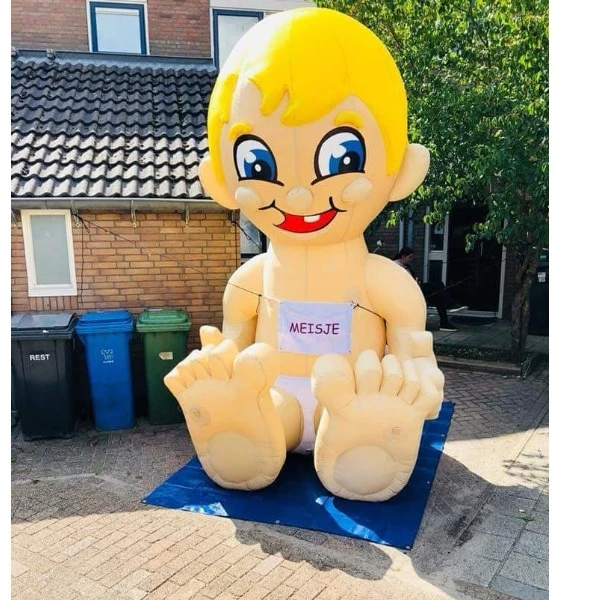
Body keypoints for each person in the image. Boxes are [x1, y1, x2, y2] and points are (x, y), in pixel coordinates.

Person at [393, 247, 467, 332]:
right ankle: (451, 305)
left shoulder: (406, 265)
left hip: (415, 288)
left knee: (439, 296)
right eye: (410, 257)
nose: (411, 260)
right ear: (403, 256)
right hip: (408, 291)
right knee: (438, 285)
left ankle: (444, 323)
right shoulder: (395, 265)